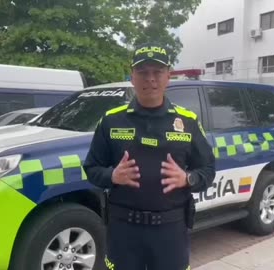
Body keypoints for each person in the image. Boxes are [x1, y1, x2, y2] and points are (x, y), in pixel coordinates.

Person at [83, 43, 216, 270]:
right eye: (143, 72)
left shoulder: (188, 122)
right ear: (132, 77)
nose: (150, 79)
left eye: (157, 72)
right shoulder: (111, 120)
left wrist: (187, 179)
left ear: (168, 77)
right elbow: (92, 168)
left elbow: (208, 171)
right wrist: (112, 176)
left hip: (170, 231)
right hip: (123, 231)